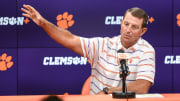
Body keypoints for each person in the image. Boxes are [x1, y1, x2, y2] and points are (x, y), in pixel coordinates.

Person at [21, 5, 155, 95]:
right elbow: (69, 39)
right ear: (121, 23)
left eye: (134, 27)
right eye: (126, 24)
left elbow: (142, 86)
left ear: (143, 31)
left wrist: (108, 92)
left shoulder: (146, 51)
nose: (128, 30)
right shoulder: (103, 45)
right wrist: (43, 23)